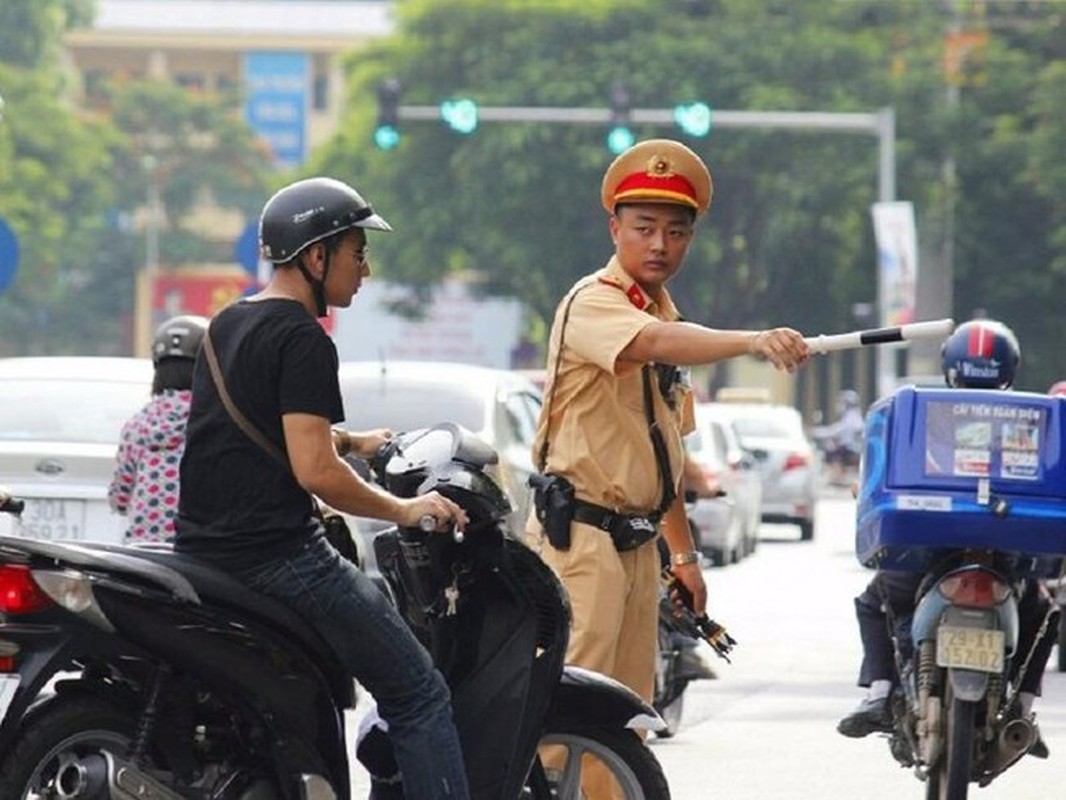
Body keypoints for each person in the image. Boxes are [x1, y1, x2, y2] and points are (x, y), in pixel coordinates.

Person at [174, 177, 471, 799]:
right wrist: (407, 509)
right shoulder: (304, 338)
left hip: (205, 548)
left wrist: (354, 440)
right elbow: (314, 473)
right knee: (418, 692)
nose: (364, 269)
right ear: (316, 256)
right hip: (279, 557)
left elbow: (259, 431)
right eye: (357, 253)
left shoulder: (227, 322)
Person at [525, 138, 810, 723]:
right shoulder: (593, 303)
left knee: (627, 717)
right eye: (644, 227)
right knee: (572, 713)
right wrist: (753, 340)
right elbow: (650, 343)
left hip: (635, 546)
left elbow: (668, 457)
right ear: (614, 229)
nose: (660, 244)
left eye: (676, 232)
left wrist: (683, 557)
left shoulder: (667, 319)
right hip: (581, 540)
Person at [838, 318, 1058, 760]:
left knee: (876, 598)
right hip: (1006, 556)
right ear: (1009, 369)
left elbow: (888, 474)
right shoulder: (1030, 422)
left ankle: (881, 692)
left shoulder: (928, 413)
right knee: (1045, 612)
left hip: (931, 548)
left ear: (951, 368)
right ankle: (1025, 709)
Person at [109, 314, 208, 543]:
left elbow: (120, 498)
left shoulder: (137, 424)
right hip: (198, 547)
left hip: (141, 551)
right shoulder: (214, 421)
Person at [814, 389, 865, 485]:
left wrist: (816, 432)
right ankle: (839, 475)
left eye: (841, 403)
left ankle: (836, 475)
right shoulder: (854, 416)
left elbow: (835, 431)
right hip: (855, 448)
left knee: (832, 452)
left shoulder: (851, 418)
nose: (839, 406)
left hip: (850, 448)